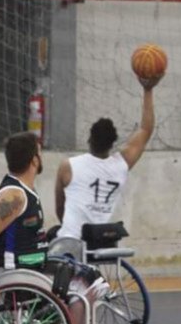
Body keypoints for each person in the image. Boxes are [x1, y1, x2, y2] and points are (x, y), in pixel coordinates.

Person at [0, 132, 112, 324]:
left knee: (83, 272)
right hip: (18, 273)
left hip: (30, 267)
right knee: (89, 284)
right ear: (34, 159)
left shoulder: (21, 191)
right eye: (39, 152)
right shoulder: (15, 195)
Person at [55, 73, 160, 240]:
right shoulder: (120, 165)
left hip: (72, 240)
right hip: (101, 240)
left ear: (89, 139)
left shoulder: (68, 166)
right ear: (113, 144)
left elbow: (60, 208)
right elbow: (146, 130)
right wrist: (148, 90)